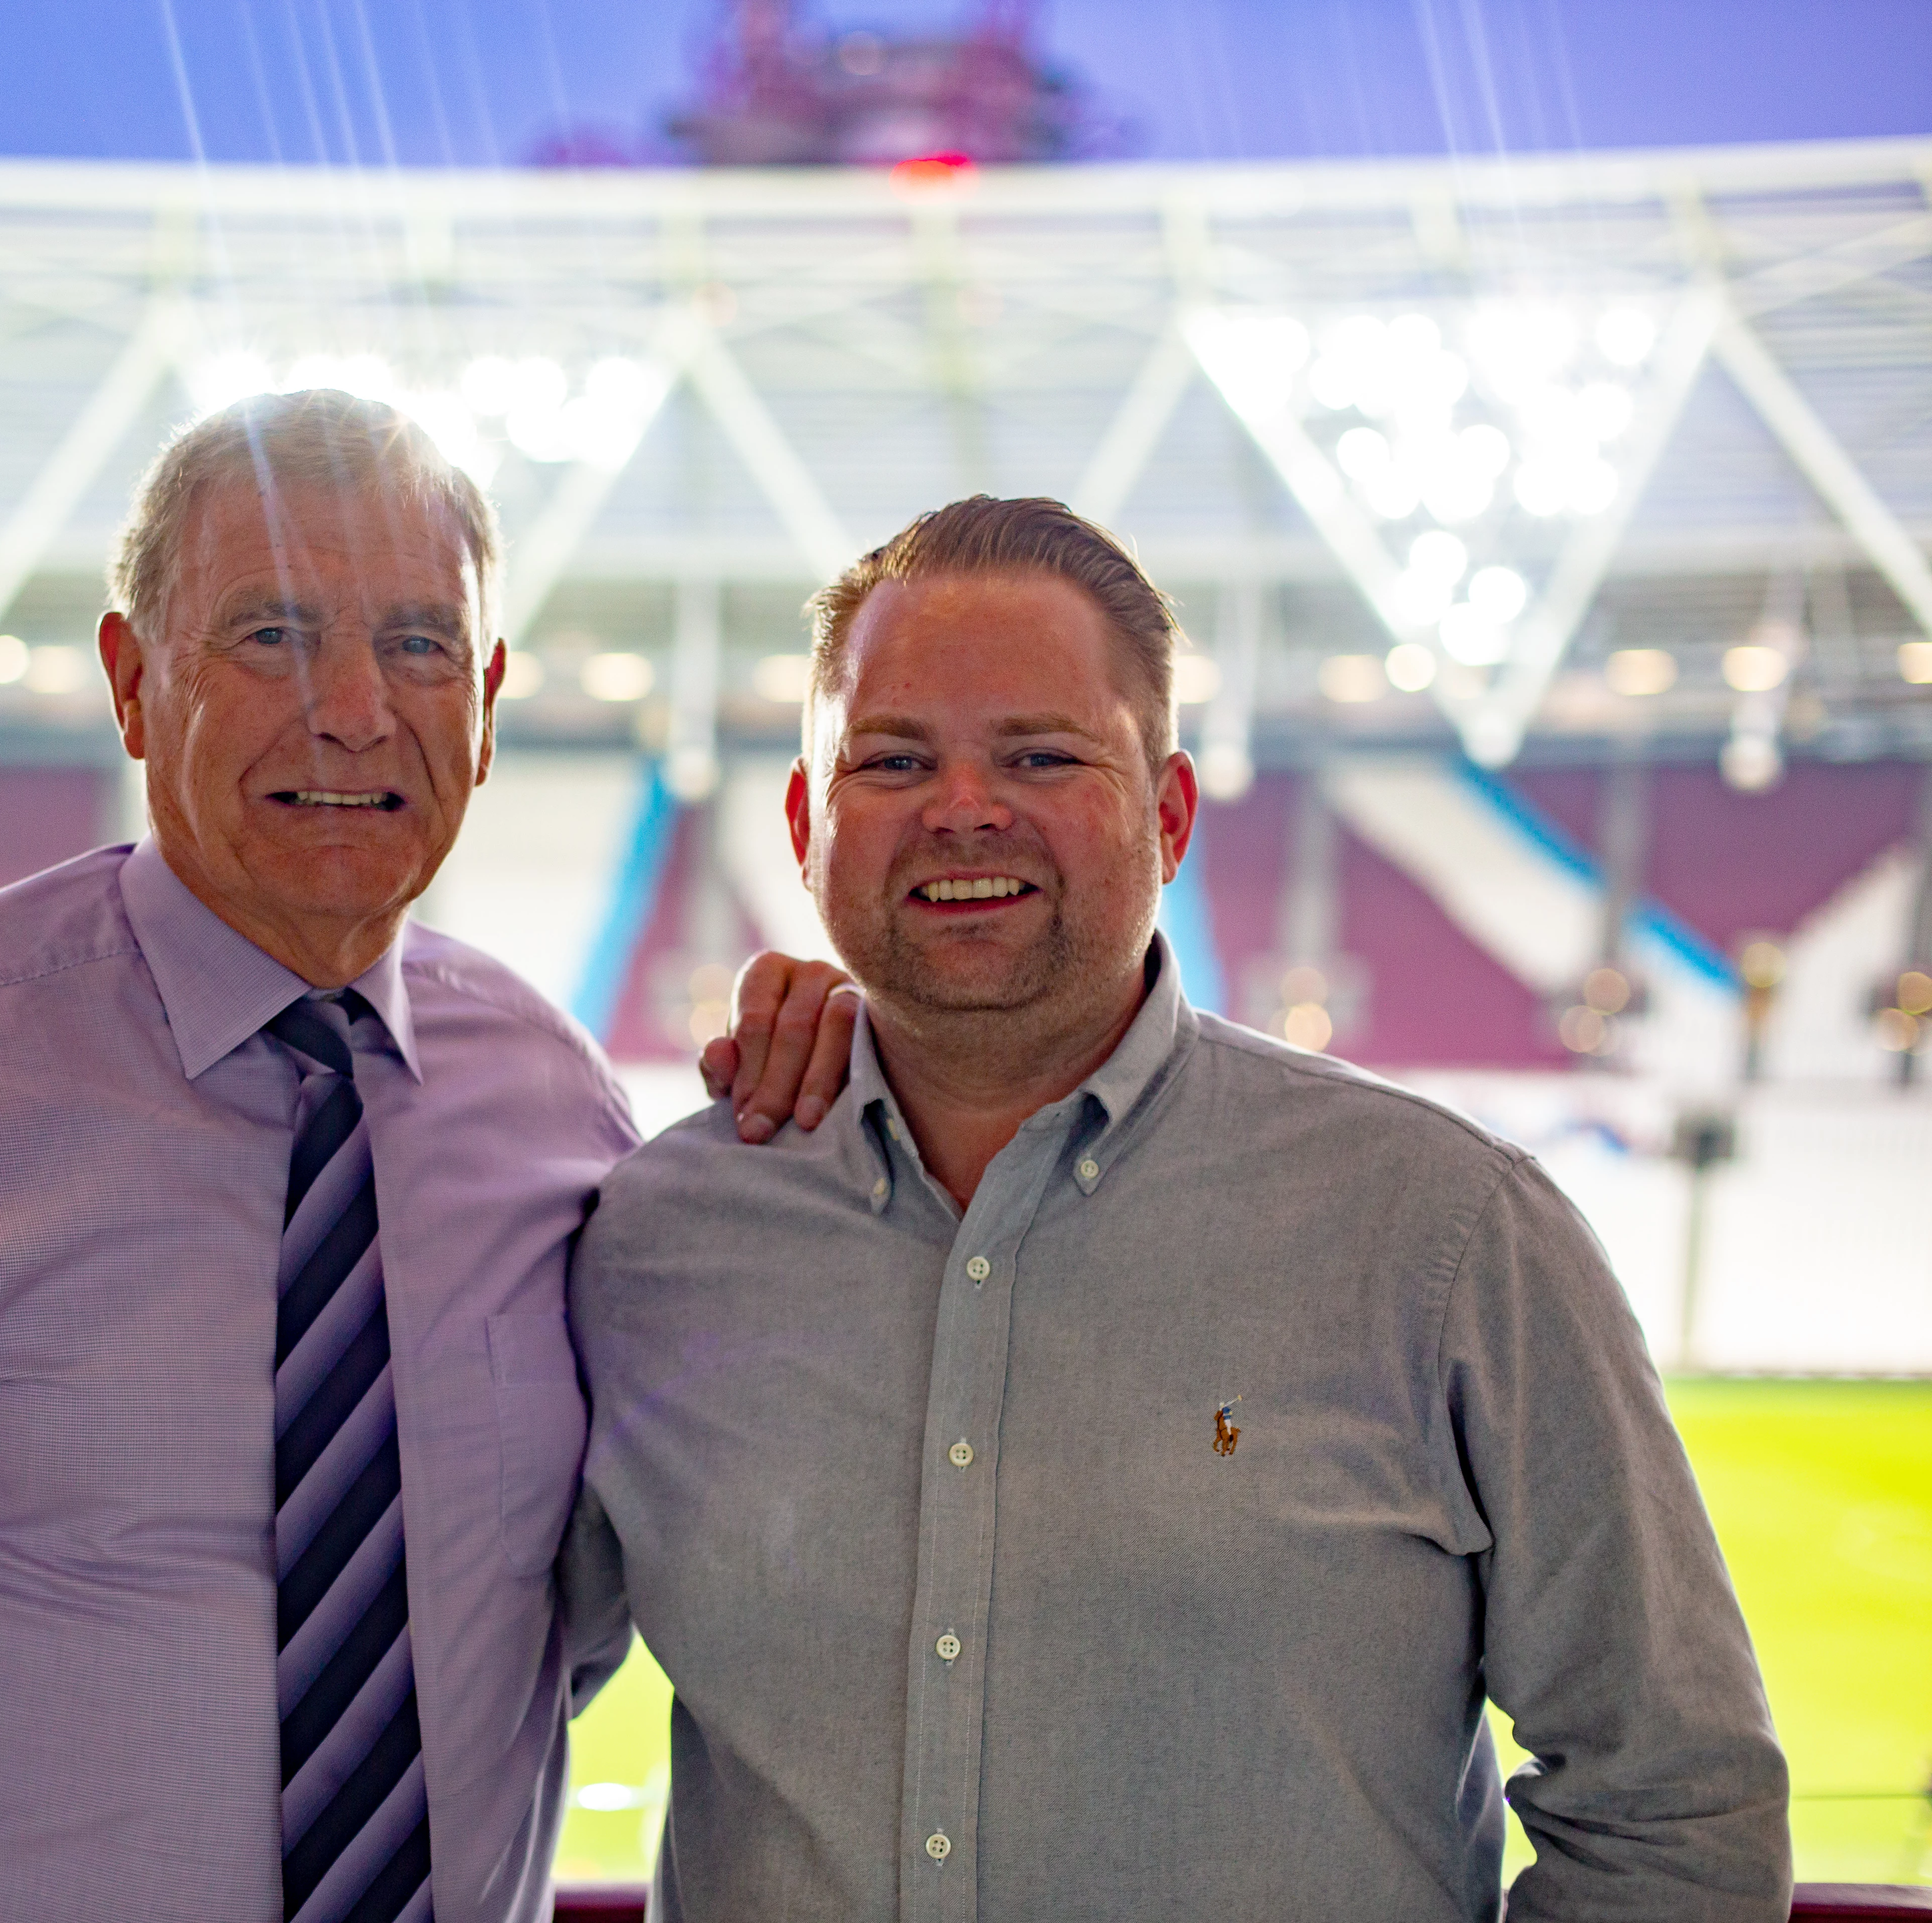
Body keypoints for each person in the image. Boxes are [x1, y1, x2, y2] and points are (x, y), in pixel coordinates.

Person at [0, 391, 848, 1923]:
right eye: (273, 637)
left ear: (487, 703)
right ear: (131, 682)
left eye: (420, 645)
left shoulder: (554, 1106)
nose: (355, 708)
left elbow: (539, 1644)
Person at [564, 495, 1791, 1921]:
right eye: (893, 760)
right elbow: (476, 1694)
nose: (965, 806)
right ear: (805, 821)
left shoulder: (1452, 1236)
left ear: (1169, 813)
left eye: (1040, 753)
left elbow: (1674, 1812)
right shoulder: (661, 1241)